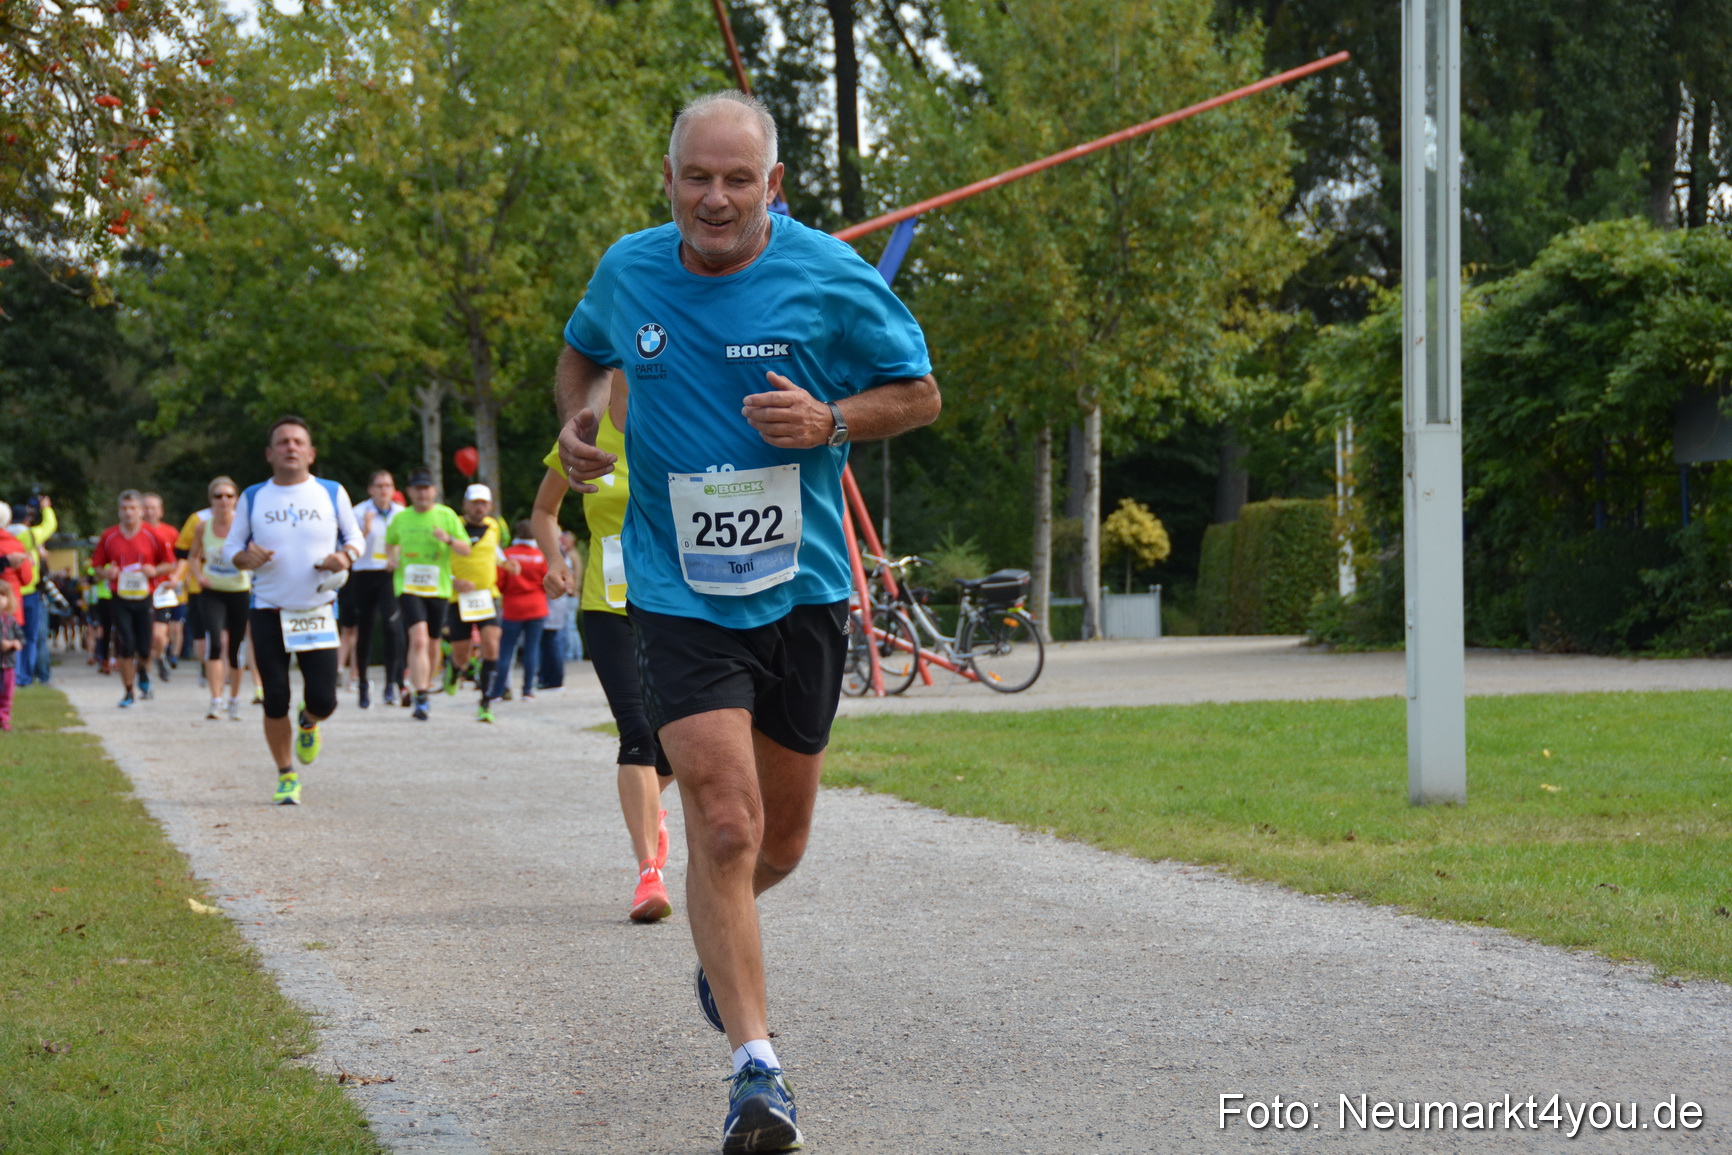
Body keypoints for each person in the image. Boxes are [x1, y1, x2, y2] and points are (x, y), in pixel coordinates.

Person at [554, 90, 939, 1152]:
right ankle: (756, 1076)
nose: (714, 198)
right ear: (668, 180)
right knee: (723, 823)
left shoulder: (826, 276)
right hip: (677, 597)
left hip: (803, 592)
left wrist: (832, 419)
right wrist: (577, 419)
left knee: (779, 841)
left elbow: (918, 393)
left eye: (737, 179)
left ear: (772, 186)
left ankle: (722, 946)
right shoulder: (628, 269)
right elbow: (582, 353)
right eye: (695, 177)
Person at [535, 372, 675, 923]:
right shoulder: (585, 433)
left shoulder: (679, 416)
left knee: (685, 736)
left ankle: (651, 808)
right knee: (638, 730)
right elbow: (544, 512)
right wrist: (555, 561)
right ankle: (649, 874)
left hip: (677, 605)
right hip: (608, 604)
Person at [221, 416, 362, 805]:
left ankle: (309, 722)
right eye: (282, 442)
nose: (290, 447)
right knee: (275, 696)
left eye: (298, 441)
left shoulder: (332, 492)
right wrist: (246, 557)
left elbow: (356, 539)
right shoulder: (253, 495)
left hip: (317, 609)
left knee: (324, 700)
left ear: (311, 452)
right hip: (268, 609)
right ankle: (286, 774)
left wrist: (343, 556)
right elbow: (231, 551)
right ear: (269, 454)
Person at [385, 470, 471, 721]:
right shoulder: (401, 518)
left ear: (434, 491)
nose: (422, 493)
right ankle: (420, 695)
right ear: (410, 492)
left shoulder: (446, 515)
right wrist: (391, 557)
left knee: (433, 644)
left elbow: (466, 548)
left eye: (426, 488)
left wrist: (448, 540)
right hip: (408, 585)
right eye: (417, 489)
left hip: (439, 587)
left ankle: (424, 686)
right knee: (419, 639)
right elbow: (390, 543)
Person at [90, 490, 178, 706]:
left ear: (140, 511)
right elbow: (97, 566)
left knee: (145, 644)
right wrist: (106, 572)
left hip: (146, 596)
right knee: (126, 643)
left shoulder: (152, 534)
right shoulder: (109, 535)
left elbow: (169, 563)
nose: (128, 513)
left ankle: (143, 671)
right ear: (119, 511)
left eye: (132, 508)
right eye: (124, 508)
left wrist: (155, 571)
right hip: (119, 597)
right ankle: (129, 691)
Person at [186, 476, 253, 721]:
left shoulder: (244, 526)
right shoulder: (204, 527)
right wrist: (198, 576)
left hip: (238, 591)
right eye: (218, 496)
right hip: (212, 591)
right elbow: (192, 556)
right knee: (214, 643)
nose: (223, 500)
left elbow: (255, 554)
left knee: (234, 649)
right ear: (211, 500)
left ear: (236, 500)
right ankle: (216, 700)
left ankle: (234, 700)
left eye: (228, 495)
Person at [339, 471, 406, 709]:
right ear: (370, 489)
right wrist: (365, 530)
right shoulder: (358, 513)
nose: (384, 490)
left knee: (391, 627)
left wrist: (397, 559)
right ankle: (363, 684)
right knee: (364, 630)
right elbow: (346, 544)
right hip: (364, 574)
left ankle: (391, 684)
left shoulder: (401, 513)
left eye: (388, 485)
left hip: (389, 574)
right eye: (379, 486)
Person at [445, 484, 510, 723]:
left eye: (483, 502)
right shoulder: (453, 526)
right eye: (474, 502)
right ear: (465, 504)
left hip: (487, 595)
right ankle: (455, 668)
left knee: (492, 646)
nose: (479, 507)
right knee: (461, 655)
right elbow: (439, 559)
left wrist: (506, 563)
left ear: (490, 505)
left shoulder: (495, 526)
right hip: (458, 597)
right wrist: (453, 581)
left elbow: (495, 550)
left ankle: (485, 703)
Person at [493, 519, 548, 703]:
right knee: (532, 648)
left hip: (513, 607)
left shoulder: (507, 555)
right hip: (537, 606)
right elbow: (547, 581)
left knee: (506, 650)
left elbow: (499, 583)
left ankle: (499, 691)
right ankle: (528, 691)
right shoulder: (541, 555)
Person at [8, 495, 56, 687]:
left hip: (9, 593)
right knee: (31, 637)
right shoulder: (30, 536)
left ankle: (14, 673)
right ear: (27, 519)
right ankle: (25, 677)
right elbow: (49, 526)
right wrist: (46, 508)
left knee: (10, 635)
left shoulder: (5, 536)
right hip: (30, 592)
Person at [140, 492, 185, 683]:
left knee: (159, 636)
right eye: (146, 507)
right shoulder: (135, 532)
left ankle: (159, 656)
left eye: (153, 508)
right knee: (144, 635)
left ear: (161, 511)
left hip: (162, 590)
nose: (150, 512)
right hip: (139, 591)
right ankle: (146, 678)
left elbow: (181, 558)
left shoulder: (171, 532)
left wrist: (175, 576)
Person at [0, 581, 19, 731]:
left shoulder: (11, 621)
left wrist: (16, 642)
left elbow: (21, 637)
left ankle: (4, 719)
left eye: (3, 595)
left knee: (7, 694)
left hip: (8, 665)